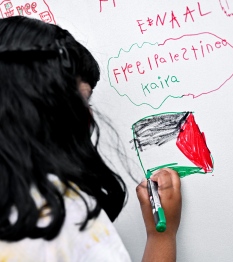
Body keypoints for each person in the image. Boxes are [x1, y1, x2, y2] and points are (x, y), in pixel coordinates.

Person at [0, 16, 182, 261]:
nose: (89, 115)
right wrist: (162, 236)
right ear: (40, 102)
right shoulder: (55, 214)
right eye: (82, 101)